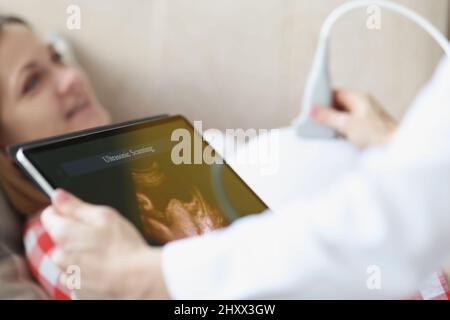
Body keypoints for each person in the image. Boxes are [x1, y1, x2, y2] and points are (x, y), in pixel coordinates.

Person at [0, 15, 445, 299]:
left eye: (57, 57)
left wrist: (392, 144)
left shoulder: (170, 148)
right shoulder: (62, 235)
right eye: (32, 82)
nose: (72, 77)